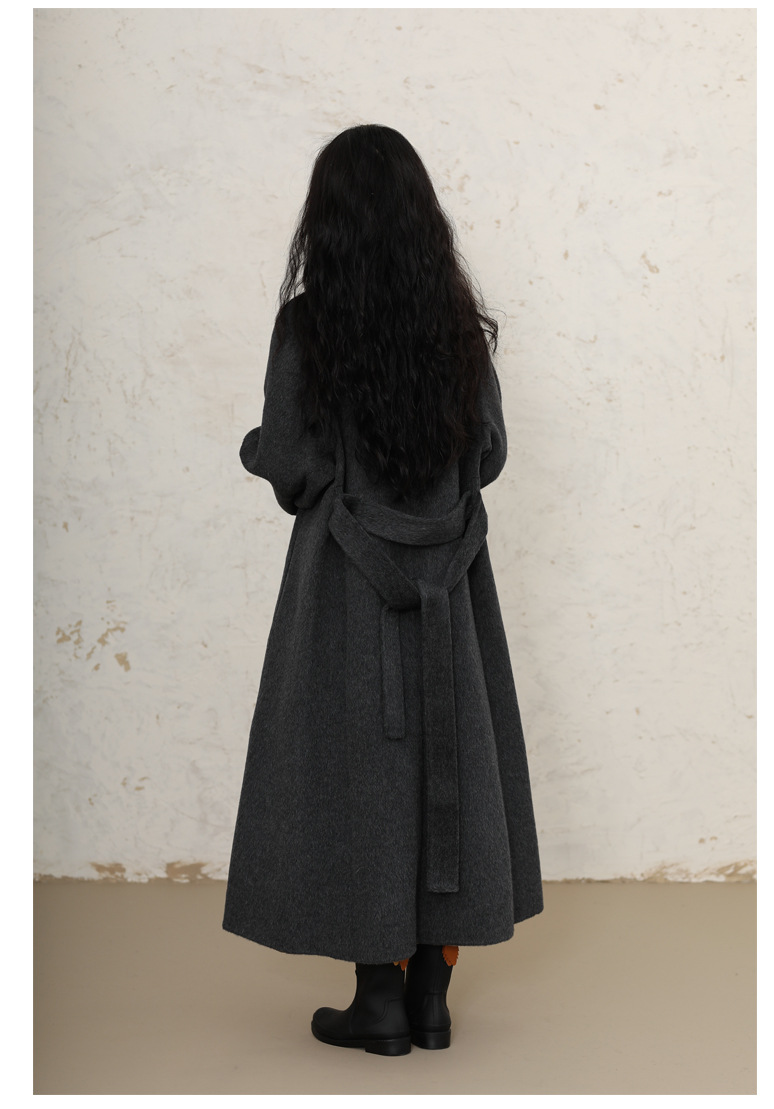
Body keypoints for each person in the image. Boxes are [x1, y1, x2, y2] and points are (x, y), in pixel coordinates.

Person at [222, 124, 544, 1056]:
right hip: (451, 584)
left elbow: (292, 467)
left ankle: (379, 1003)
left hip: (346, 587)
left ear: (326, 221)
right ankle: (432, 997)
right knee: (449, 764)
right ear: (420, 216)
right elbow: (488, 454)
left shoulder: (309, 326)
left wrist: (258, 447)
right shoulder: (457, 328)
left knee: (359, 775)